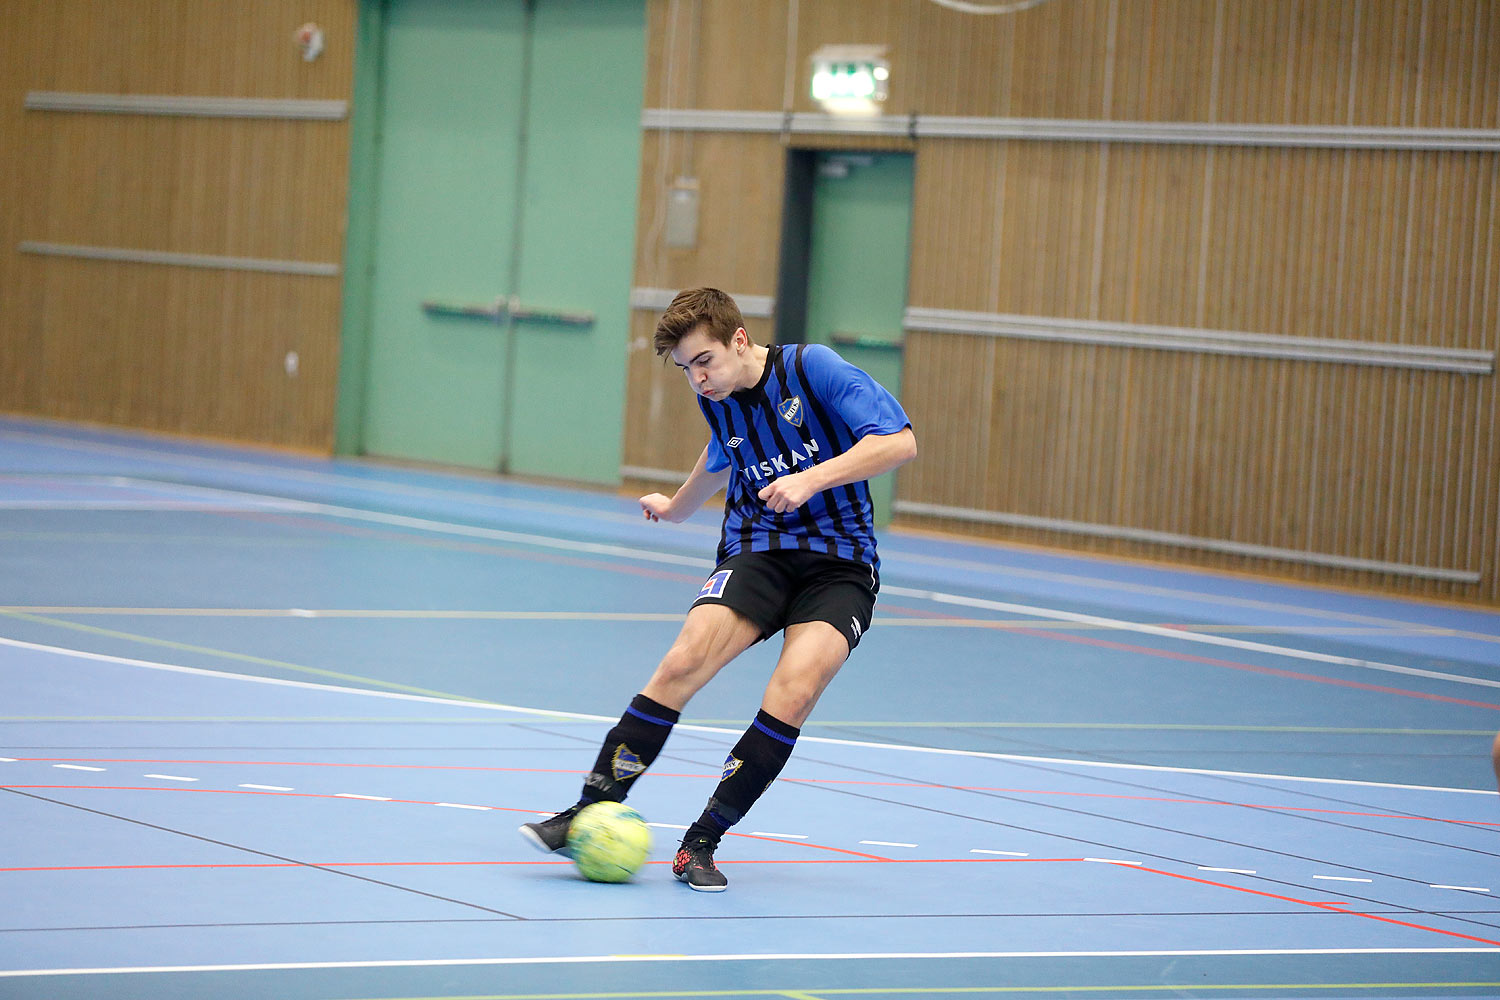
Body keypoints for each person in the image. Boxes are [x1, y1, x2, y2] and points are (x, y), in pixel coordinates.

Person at [520, 286, 917, 891]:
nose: (698, 380)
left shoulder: (813, 369)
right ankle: (590, 808)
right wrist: (678, 509)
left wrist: (810, 480)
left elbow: (898, 442)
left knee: (795, 691)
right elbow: (722, 452)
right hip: (758, 553)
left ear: (739, 339)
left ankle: (701, 842)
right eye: (685, 370)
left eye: (703, 361)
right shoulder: (721, 398)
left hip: (840, 566)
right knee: (681, 661)